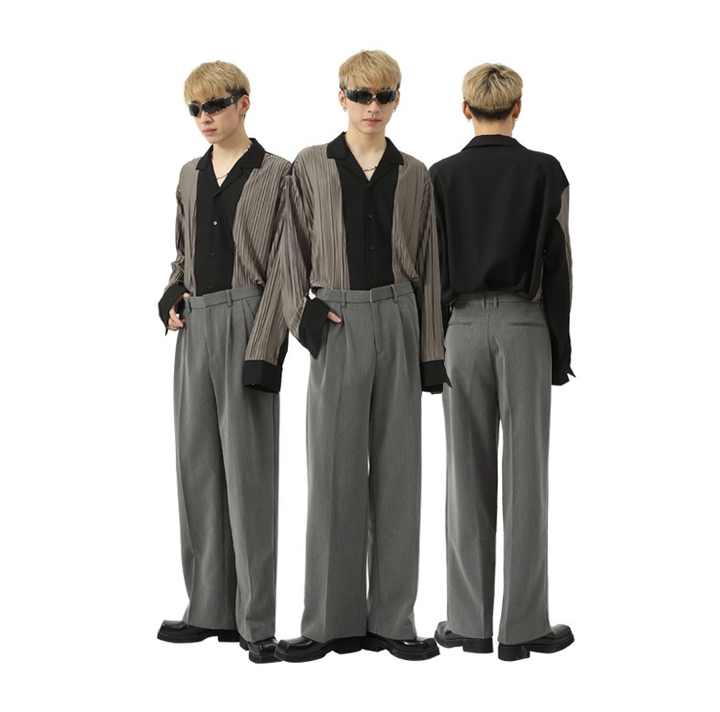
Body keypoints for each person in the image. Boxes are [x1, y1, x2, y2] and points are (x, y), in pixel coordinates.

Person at [246, 49, 449, 662]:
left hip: (398, 315)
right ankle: (329, 623)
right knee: (333, 471)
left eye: (384, 96)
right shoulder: (311, 165)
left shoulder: (415, 173)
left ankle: (393, 620)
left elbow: (430, 263)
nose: (372, 107)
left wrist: (430, 351)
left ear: (397, 100)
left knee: (399, 473)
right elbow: (288, 251)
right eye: (361, 95)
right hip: (336, 320)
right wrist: (303, 316)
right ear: (342, 98)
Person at [430, 63, 575, 662]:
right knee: (526, 477)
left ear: (465, 109)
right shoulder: (546, 171)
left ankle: (468, 623)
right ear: (518, 108)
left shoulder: (439, 176)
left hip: (461, 330)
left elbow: (431, 268)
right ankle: (522, 628)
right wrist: (559, 350)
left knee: (465, 473)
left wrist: (434, 346)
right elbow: (559, 263)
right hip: (523, 326)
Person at [156, 60, 290, 664]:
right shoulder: (188, 174)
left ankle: (255, 621)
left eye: (216, 105)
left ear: (244, 103)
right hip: (197, 324)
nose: (206, 117)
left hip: (248, 316)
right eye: (196, 109)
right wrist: (171, 293)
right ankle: (207, 608)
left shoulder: (277, 174)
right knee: (198, 469)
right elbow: (182, 252)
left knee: (249, 474)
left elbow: (288, 268)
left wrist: (267, 348)